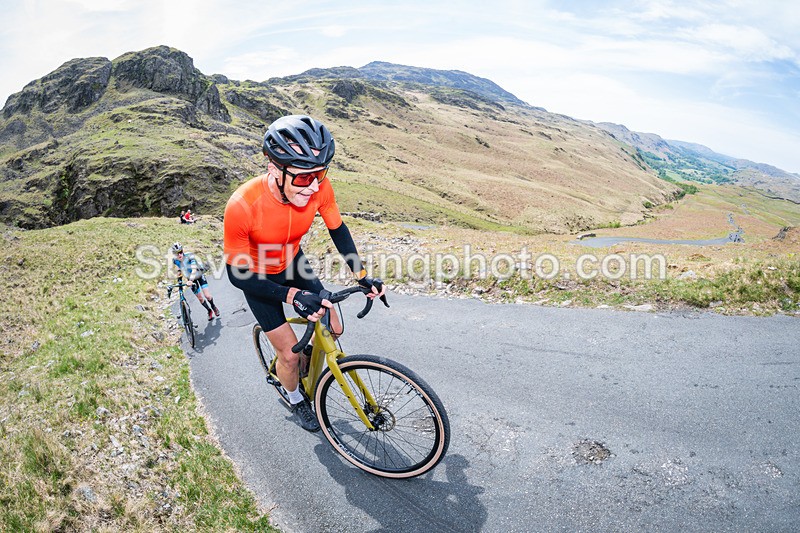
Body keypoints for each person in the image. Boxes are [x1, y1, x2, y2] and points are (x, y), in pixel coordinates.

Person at [223, 114, 385, 432]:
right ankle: (296, 398)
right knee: (289, 354)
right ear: (274, 169)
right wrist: (293, 296)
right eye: (301, 178)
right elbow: (235, 274)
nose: (312, 187)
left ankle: (307, 354)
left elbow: (338, 230)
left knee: (334, 327)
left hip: (292, 260)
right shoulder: (243, 205)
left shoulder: (318, 188)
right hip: (258, 277)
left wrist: (362, 275)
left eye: (319, 174)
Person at [171, 242, 220, 320]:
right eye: (177, 254)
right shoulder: (175, 260)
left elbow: (193, 270)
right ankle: (209, 310)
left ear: (182, 251)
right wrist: (179, 278)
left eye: (180, 252)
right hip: (190, 279)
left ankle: (213, 307)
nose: (179, 255)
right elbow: (179, 268)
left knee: (207, 296)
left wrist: (190, 280)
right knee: (200, 299)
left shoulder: (190, 256)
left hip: (199, 275)